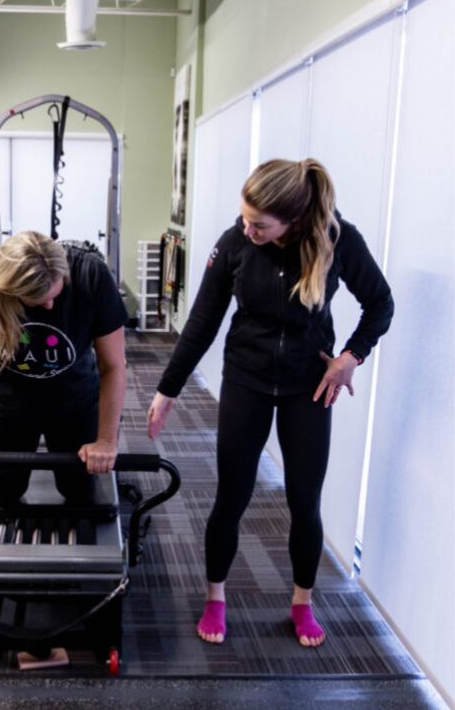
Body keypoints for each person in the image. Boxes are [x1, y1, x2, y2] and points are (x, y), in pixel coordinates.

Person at [147, 159, 394, 648]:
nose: (247, 229)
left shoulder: (339, 240)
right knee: (232, 496)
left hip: (309, 386)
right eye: (244, 218)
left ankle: (302, 602)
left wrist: (350, 357)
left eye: (259, 224)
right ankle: (215, 596)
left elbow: (381, 303)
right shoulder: (235, 243)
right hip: (247, 379)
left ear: (295, 220)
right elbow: (202, 322)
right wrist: (168, 388)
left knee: (305, 501)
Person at [0, 230, 127, 505]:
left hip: (75, 403)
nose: (50, 305)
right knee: (6, 494)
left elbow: (113, 365)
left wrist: (106, 441)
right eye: (39, 301)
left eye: (56, 292)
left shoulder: (91, 274)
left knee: (78, 493)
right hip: (8, 406)